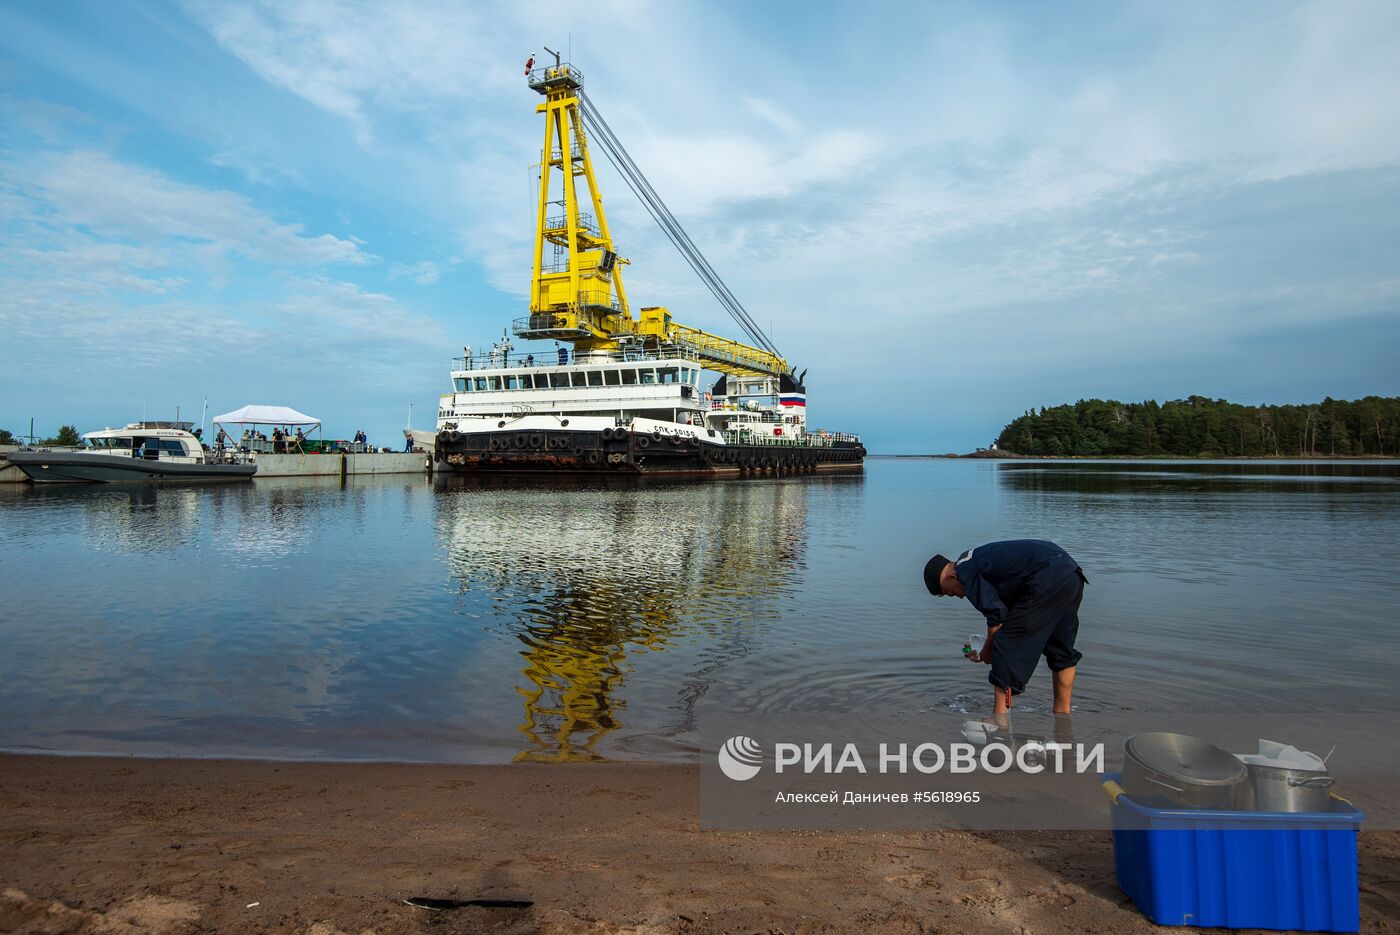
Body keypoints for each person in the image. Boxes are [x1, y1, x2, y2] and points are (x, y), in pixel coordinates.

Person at [924, 540, 1086, 716]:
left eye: (952, 593)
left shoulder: (964, 571)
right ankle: (1062, 714)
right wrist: (985, 647)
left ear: (951, 577)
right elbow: (1010, 615)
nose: (960, 596)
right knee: (1060, 650)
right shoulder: (974, 560)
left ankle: (1000, 718)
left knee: (1005, 645)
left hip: (1045, 578)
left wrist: (988, 653)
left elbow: (996, 617)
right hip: (1071, 574)